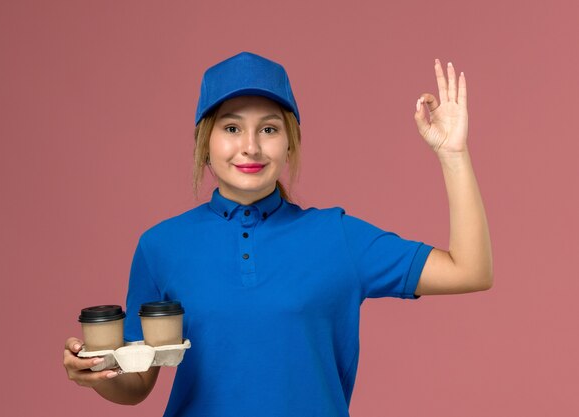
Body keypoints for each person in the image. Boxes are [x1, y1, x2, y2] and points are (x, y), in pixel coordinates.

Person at [63, 51, 492, 416]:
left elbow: (470, 271)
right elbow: (137, 383)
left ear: (290, 143)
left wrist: (453, 155)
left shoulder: (337, 237)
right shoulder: (161, 246)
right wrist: (97, 375)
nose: (250, 146)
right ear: (205, 142)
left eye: (268, 129)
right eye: (231, 128)